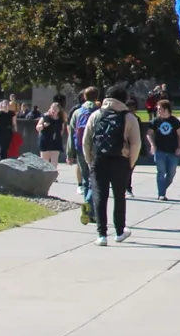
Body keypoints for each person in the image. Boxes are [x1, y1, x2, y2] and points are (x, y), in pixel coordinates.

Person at [83, 84, 141, 245]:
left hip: (99, 160)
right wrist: (130, 163)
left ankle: (101, 235)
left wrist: (90, 161)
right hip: (120, 160)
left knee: (100, 196)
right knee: (119, 196)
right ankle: (119, 232)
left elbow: (86, 141)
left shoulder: (96, 115)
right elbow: (136, 144)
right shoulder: (129, 118)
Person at [68, 87, 102, 225]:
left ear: (84, 97)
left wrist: (70, 153)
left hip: (80, 149)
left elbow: (71, 133)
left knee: (86, 179)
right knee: (96, 180)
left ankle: (89, 211)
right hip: (95, 149)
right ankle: (89, 206)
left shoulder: (77, 112)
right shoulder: (99, 112)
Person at [147, 100, 180, 201]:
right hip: (160, 151)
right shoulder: (155, 121)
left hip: (173, 151)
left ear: (166, 109)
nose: (158, 111)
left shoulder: (175, 121)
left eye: (160, 109)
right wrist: (152, 145)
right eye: (158, 109)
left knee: (171, 174)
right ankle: (161, 194)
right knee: (161, 171)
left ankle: (162, 189)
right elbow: (149, 133)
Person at [37, 98, 65, 166]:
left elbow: (62, 130)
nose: (53, 110)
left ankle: (53, 173)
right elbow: (37, 127)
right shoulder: (45, 116)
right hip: (45, 140)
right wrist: (43, 125)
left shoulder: (61, 119)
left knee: (54, 163)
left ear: (59, 110)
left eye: (55, 109)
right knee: (44, 162)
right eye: (52, 108)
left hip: (56, 141)